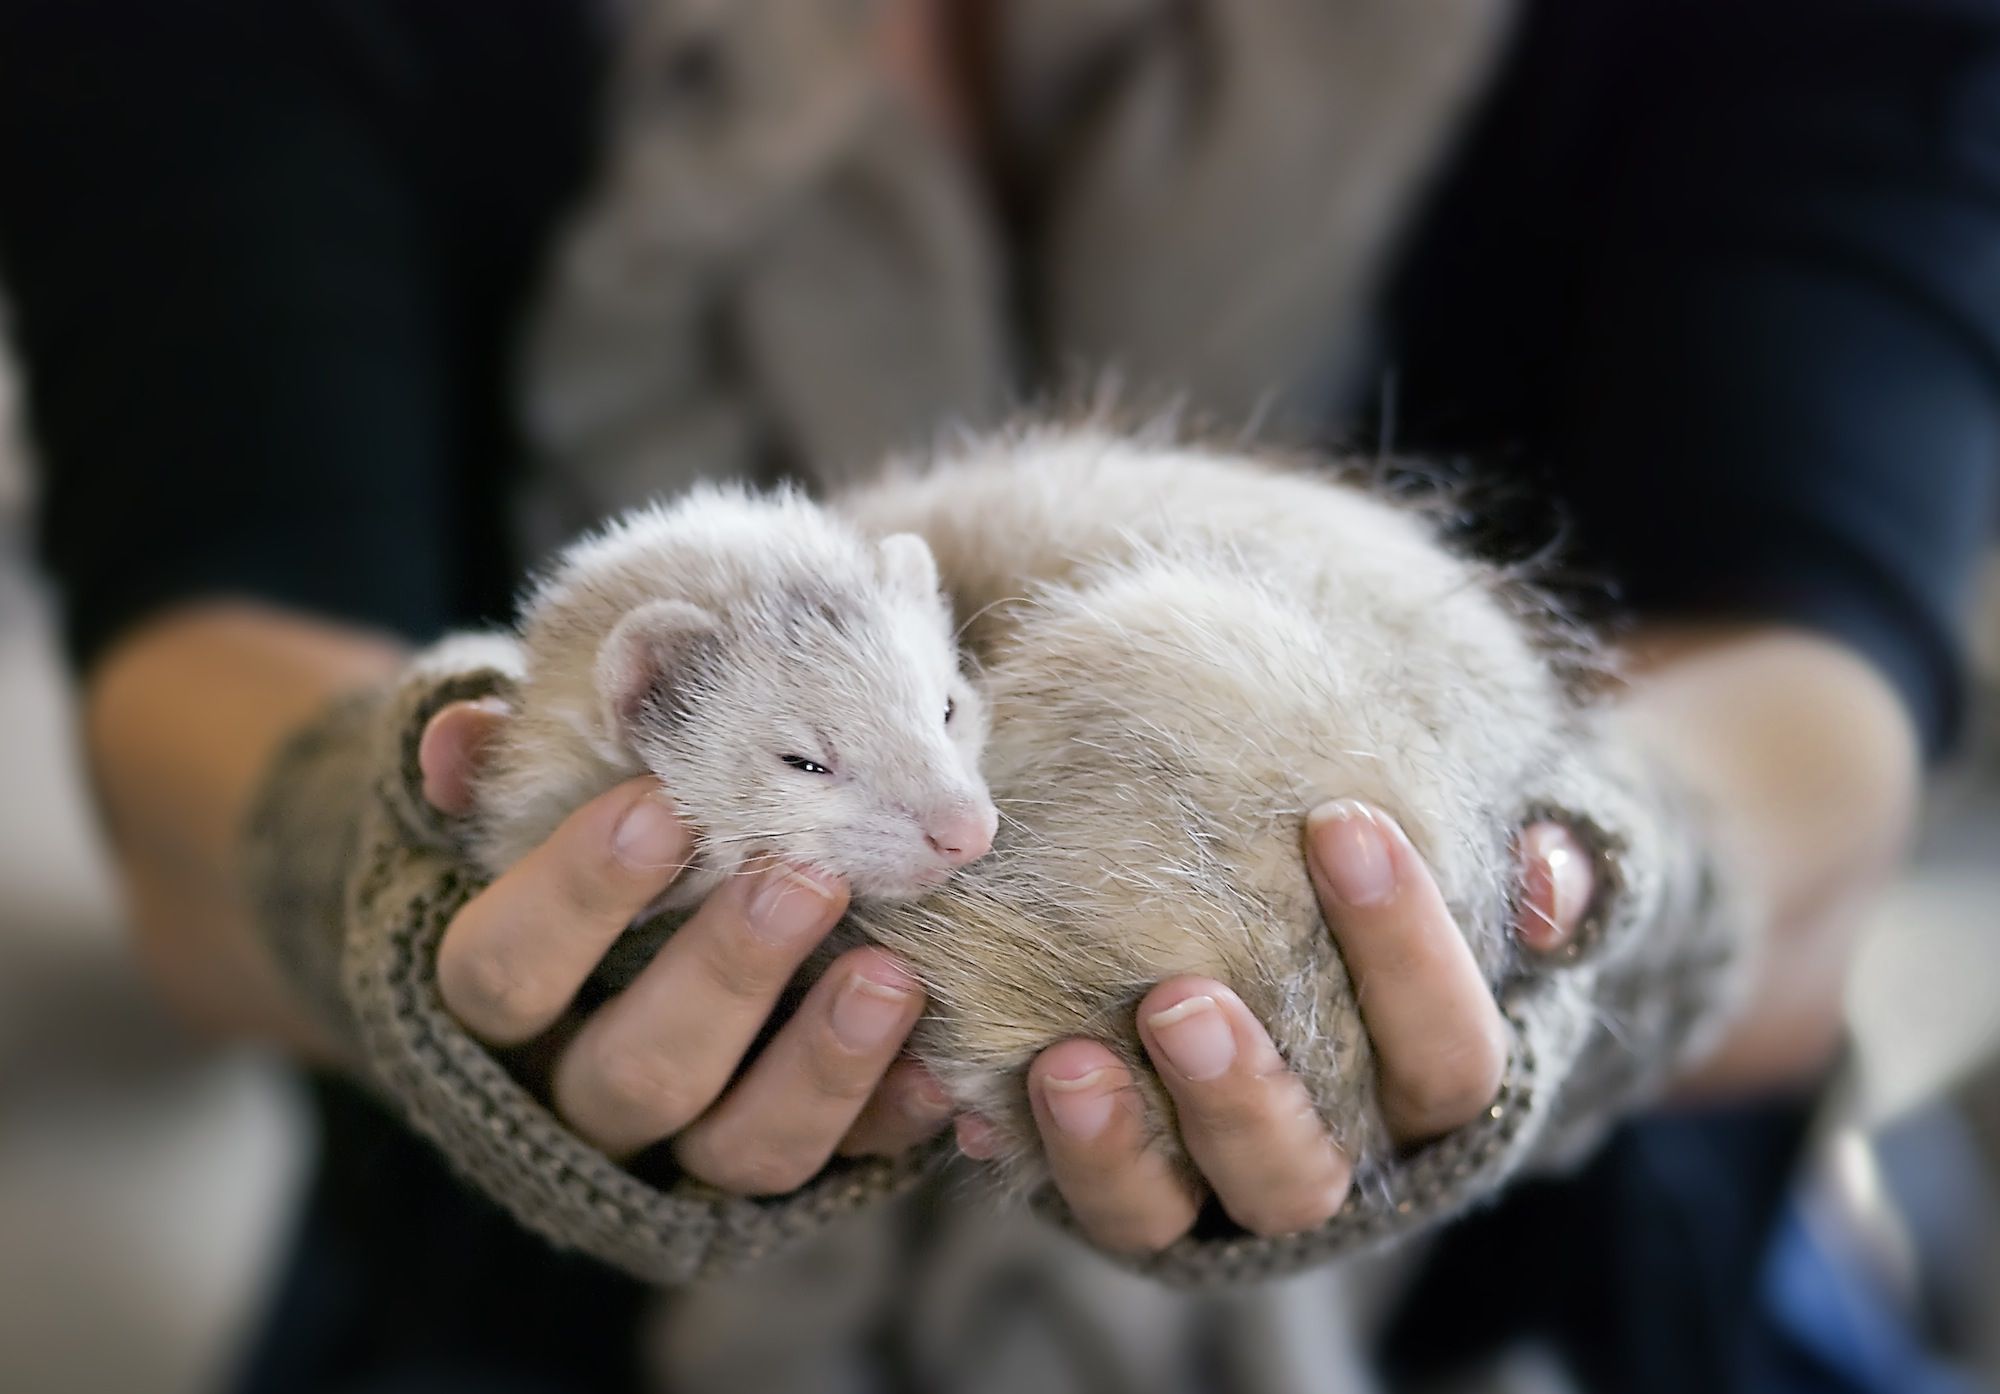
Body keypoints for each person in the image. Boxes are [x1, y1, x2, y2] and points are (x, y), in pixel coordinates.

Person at [0, 0, 1991, 1389]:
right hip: (517, 1302)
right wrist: (395, 858)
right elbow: (191, 702)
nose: (960, 831)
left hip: (1560, 1300)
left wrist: (1596, 920)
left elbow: (1828, 697)